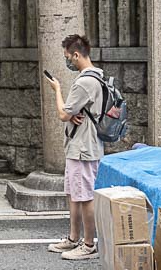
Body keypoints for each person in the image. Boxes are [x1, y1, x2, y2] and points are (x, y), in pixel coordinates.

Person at [43, 33, 104, 261]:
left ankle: (88, 244)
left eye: (68, 56)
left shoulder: (85, 81)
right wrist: (72, 115)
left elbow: (62, 113)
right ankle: (73, 238)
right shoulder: (96, 77)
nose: (67, 60)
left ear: (76, 55)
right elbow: (72, 113)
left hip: (83, 147)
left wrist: (57, 89)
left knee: (84, 195)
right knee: (74, 194)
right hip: (80, 144)